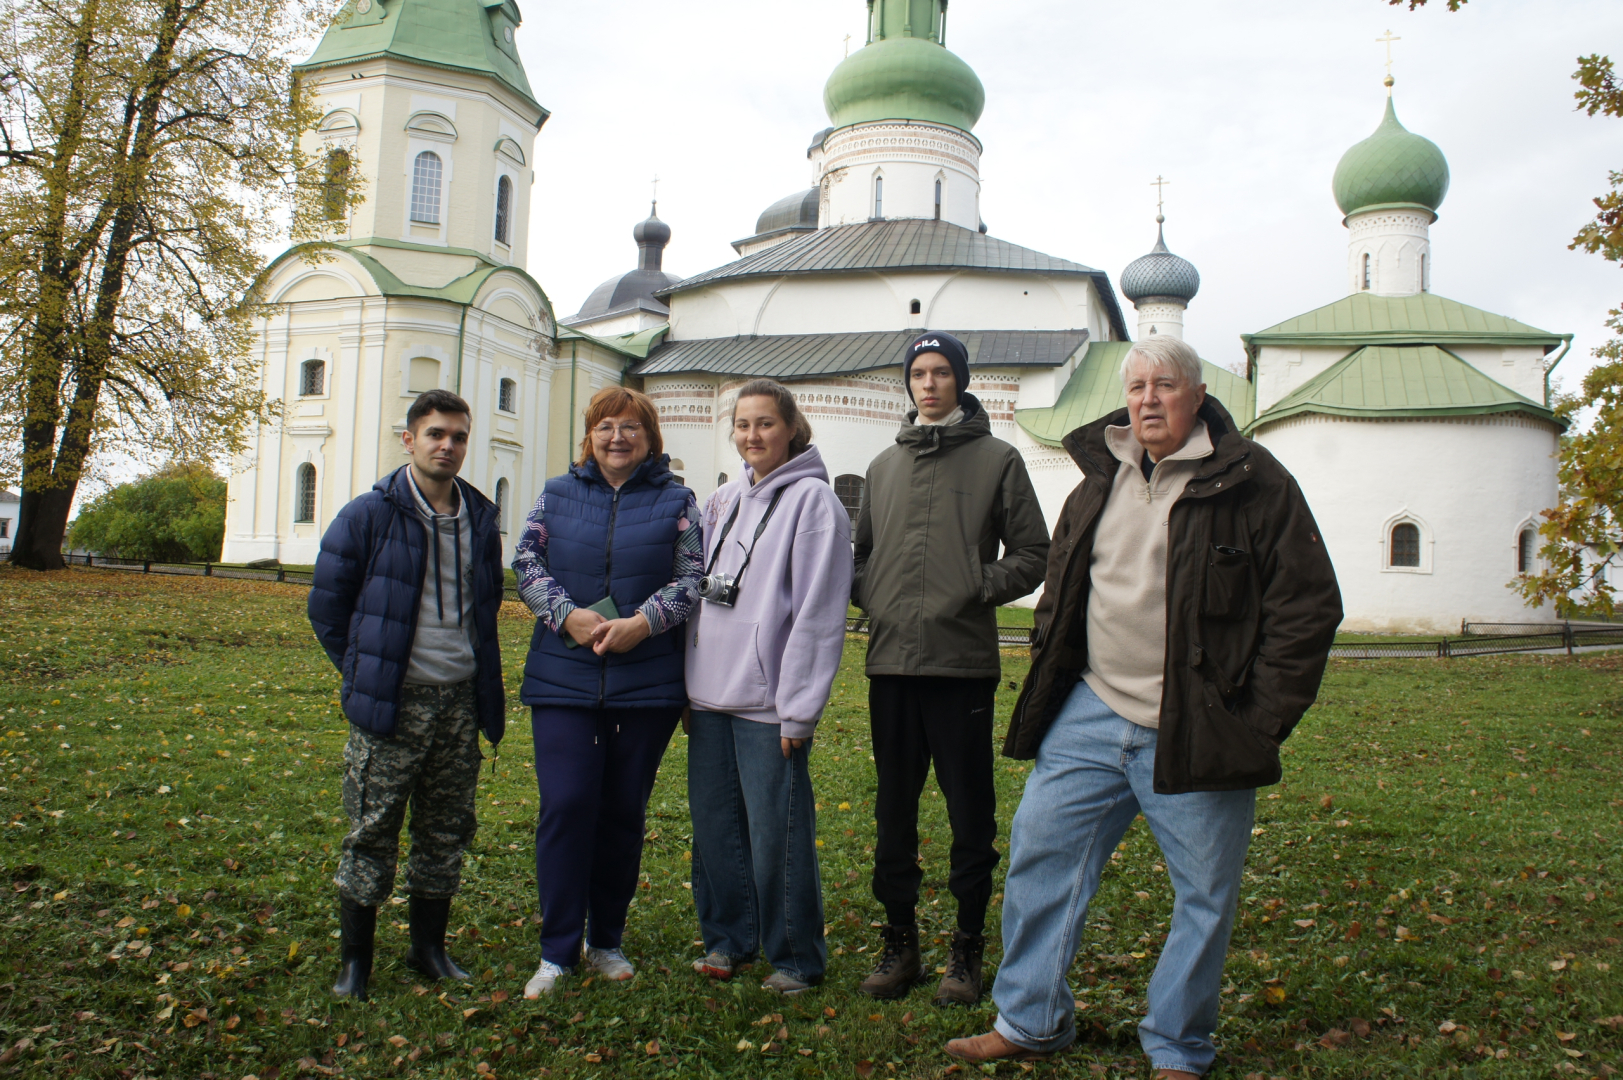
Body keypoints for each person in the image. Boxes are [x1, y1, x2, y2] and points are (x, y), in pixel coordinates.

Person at [945, 336, 1343, 1076]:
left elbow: (1306, 608)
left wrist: (1253, 722)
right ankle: (1030, 1019)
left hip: (1196, 726)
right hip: (1090, 711)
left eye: (1164, 385)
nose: (1148, 399)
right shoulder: (1100, 475)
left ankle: (1178, 1047)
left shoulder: (1253, 480)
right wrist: (1052, 662)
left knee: (1202, 895)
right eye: (1136, 386)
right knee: (1040, 861)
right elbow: (1063, 585)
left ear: (1195, 395)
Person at [851, 330, 1050, 1005]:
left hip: (961, 664)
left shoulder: (997, 459)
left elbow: (1032, 552)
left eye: (941, 373)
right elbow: (861, 555)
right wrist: (872, 592)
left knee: (970, 817)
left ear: (959, 382)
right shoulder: (882, 467)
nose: (929, 384)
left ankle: (966, 950)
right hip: (892, 667)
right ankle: (898, 942)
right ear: (908, 383)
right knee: (892, 815)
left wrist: (971, 585)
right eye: (918, 373)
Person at [308, 388, 508, 1002]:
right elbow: (327, 606)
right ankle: (355, 963)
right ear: (410, 440)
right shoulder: (369, 515)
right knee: (372, 829)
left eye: (458, 436)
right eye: (435, 434)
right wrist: (367, 669)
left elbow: (485, 605)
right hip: (394, 702)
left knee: (445, 829)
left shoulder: (478, 516)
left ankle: (428, 949)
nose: (447, 446)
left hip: (458, 701)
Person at [513, 386, 701, 998]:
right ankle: (557, 950)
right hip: (563, 679)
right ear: (589, 436)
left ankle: (607, 941)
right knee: (566, 807)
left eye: (631, 428)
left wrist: (645, 622)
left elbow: (691, 576)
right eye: (605, 427)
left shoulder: (677, 500)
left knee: (622, 813)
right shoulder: (556, 494)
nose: (617, 438)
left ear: (650, 439)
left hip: (645, 684)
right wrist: (565, 614)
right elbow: (527, 562)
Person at [685, 379, 853, 996]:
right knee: (716, 829)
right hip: (707, 697)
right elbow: (700, 594)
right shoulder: (723, 500)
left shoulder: (813, 504)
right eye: (743, 424)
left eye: (765, 424)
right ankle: (729, 940)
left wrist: (798, 710)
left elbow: (818, 611)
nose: (752, 435)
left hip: (767, 705)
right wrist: (687, 684)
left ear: (791, 429)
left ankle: (795, 958)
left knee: (776, 836)